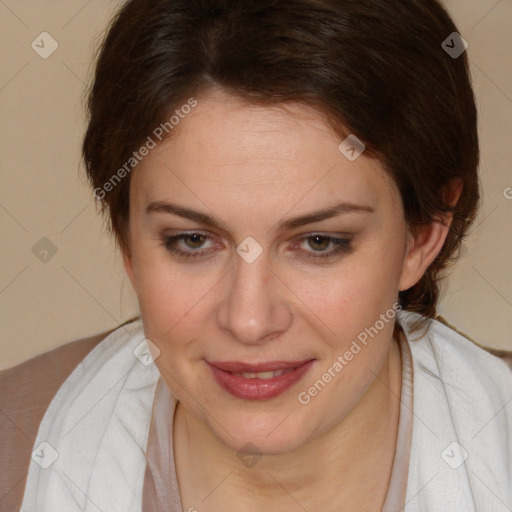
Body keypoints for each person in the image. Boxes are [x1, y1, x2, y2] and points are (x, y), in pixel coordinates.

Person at [1, 0, 511, 511]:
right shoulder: (14, 444)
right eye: (192, 240)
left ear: (422, 234)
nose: (249, 320)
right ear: (127, 239)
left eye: (319, 242)